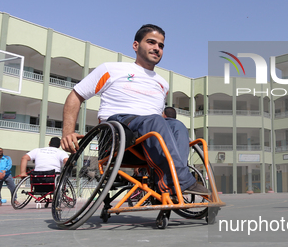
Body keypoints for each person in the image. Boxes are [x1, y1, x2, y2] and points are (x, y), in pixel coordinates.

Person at [61, 24, 209, 196]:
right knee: (155, 120)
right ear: (136, 45)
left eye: (161, 45)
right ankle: (181, 181)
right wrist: (67, 132)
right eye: (151, 42)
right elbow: (76, 95)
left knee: (177, 125)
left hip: (147, 139)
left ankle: (170, 182)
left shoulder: (163, 83)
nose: (157, 48)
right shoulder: (111, 69)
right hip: (119, 131)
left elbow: (159, 116)